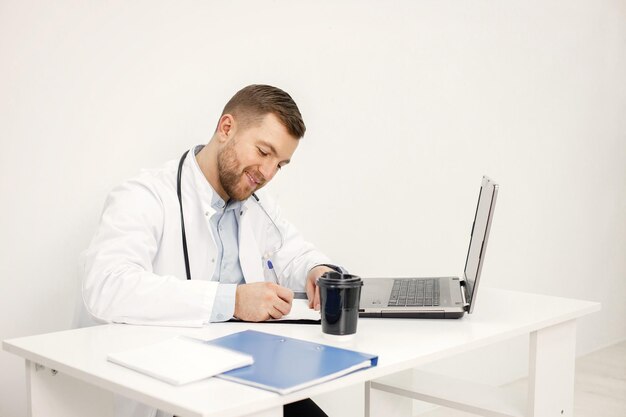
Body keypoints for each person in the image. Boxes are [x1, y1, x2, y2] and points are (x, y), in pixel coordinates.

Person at [82, 85, 341, 417]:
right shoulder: (145, 196)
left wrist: (316, 269)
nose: (267, 174)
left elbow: (293, 251)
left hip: (246, 379)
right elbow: (107, 287)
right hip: (173, 390)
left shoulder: (257, 205)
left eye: (281, 164)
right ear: (227, 128)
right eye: (263, 152)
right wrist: (231, 300)